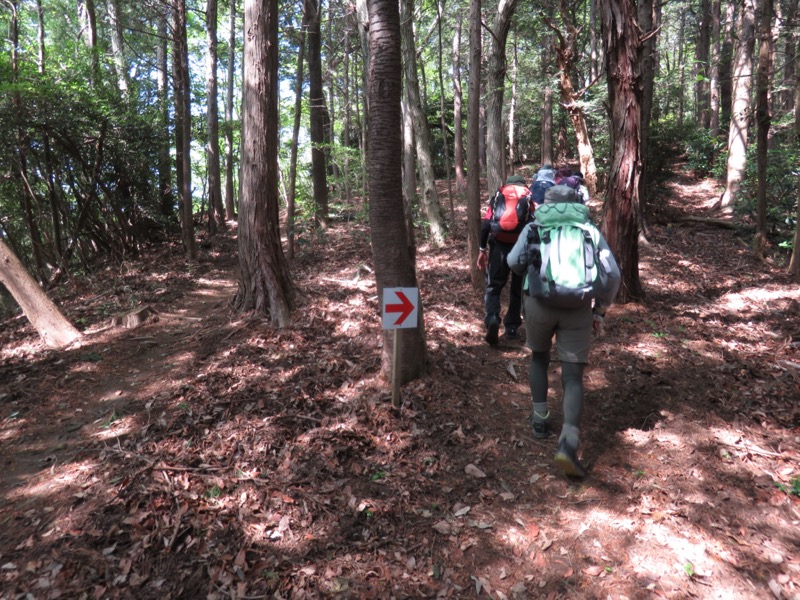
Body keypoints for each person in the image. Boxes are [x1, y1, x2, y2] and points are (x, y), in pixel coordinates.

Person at [507, 184, 620, 478]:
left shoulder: (534, 226)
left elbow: (513, 262)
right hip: (579, 307)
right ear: (576, 203)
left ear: (546, 203)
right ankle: (568, 443)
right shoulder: (588, 230)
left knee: (539, 359)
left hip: (538, 304)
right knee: (572, 375)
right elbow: (612, 275)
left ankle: (540, 417)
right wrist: (600, 310)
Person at [477, 175, 533, 346]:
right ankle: (512, 327)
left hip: (499, 246)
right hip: (521, 247)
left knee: (494, 286)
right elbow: (534, 223)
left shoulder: (498, 196)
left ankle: (492, 317)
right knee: (517, 287)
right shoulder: (528, 198)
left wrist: (482, 249)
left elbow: (486, 223)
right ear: (522, 185)